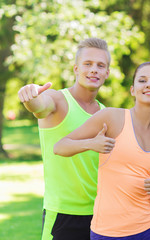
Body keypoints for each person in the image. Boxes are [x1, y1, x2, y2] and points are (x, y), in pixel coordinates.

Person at [53, 62, 150, 239]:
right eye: (142, 80)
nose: (149, 84)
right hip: (106, 232)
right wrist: (91, 144)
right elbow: (60, 146)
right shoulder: (112, 117)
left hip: (147, 230)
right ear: (132, 90)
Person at [17, 38, 110, 240]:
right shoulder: (58, 100)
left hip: (99, 216)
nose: (94, 69)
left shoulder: (104, 113)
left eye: (100, 65)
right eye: (88, 64)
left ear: (107, 73)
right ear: (76, 69)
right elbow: (40, 106)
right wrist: (30, 96)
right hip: (62, 215)